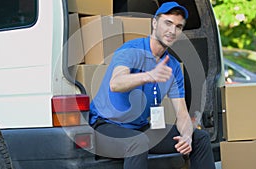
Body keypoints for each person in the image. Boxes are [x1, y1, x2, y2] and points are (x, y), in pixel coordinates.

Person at [89, 2, 216, 169]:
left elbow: (182, 114)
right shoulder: (131, 50)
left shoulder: (174, 67)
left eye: (178, 27)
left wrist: (186, 136)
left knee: (200, 138)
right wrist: (148, 76)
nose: (172, 31)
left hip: (140, 128)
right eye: (168, 23)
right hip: (105, 127)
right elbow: (116, 83)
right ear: (155, 23)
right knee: (138, 142)